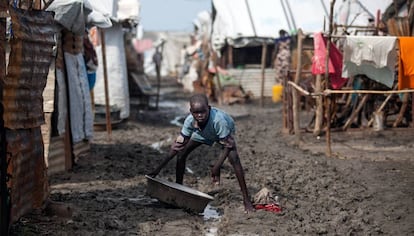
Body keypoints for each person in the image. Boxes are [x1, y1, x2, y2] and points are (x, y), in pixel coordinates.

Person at [148, 93, 255, 213]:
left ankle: (247, 200)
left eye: (203, 112)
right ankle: (178, 188)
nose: (200, 116)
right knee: (182, 153)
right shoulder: (189, 121)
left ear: (209, 108)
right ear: (191, 111)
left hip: (223, 134)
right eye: (196, 113)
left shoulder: (219, 121)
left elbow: (229, 146)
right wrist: (159, 168)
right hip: (202, 133)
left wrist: (216, 166)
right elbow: (177, 146)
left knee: (234, 160)